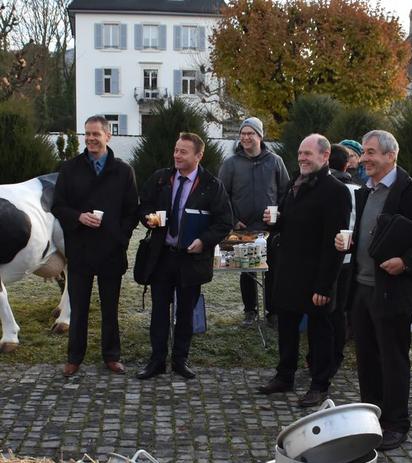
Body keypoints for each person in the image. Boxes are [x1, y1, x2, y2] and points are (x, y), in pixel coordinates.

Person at [336, 130, 412, 451]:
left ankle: (396, 423)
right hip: (362, 288)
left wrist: (407, 261)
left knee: (393, 359)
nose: (365, 159)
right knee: (366, 357)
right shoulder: (366, 191)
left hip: (392, 292)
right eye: (364, 153)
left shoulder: (409, 192)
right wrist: (351, 241)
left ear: (391, 156)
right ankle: (370, 416)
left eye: (372, 152)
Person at [257, 134, 351, 407]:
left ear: (324, 156)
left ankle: (320, 385)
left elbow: (337, 243)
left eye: (308, 154)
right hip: (288, 272)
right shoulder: (294, 184)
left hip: (315, 277)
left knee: (319, 333)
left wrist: (325, 286)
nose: (302, 158)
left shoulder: (335, 191)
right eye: (300, 153)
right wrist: (276, 222)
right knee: (286, 327)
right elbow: (291, 222)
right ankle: (284, 375)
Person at [136, 132, 232, 380]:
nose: (177, 155)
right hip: (162, 256)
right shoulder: (161, 178)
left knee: (185, 313)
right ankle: (156, 361)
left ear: (199, 155)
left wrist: (204, 241)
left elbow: (224, 223)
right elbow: (143, 204)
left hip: (191, 260)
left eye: (183, 151)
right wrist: (148, 218)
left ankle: (180, 360)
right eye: (176, 150)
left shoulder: (211, 185)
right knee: (159, 311)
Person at [52, 115, 138, 377]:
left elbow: (132, 211)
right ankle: (74, 358)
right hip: (80, 250)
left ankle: (111, 356)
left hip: (112, 251)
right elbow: (57, 206)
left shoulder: (123, 171)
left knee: (110, 308)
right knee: (78, 308)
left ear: (108, 136)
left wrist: (121, 238)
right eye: (87, 134)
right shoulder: (70, 169)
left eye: (95, 134)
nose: (90, 139)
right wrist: (78, 217)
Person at [218, 117, 289, 326]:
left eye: (251, 133)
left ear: (260, 136)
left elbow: (285, 192)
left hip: (270, 229)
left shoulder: (275, 161)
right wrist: (232, 220)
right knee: (247, 271)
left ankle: (273, 312)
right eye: (243, 134)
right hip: (243, 228)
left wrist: (279, 215)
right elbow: (222, 195)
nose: (246, 137)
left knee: (272, 271)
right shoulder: (231, 163)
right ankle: (250, 312)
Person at [328, 144, 359, 375]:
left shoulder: (327, 189)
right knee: (339, 310)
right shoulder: (359, 190)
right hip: (349, 260)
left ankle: (327, 355)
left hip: (327, 259)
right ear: (346, 164)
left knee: (327, 310)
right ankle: (337, 353)